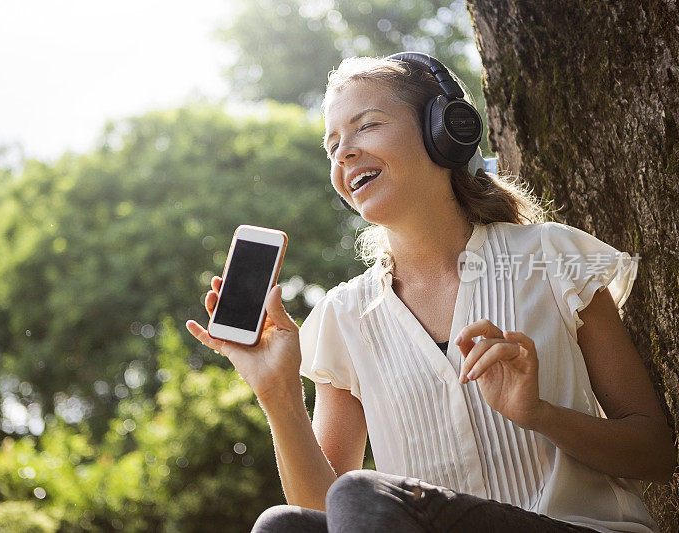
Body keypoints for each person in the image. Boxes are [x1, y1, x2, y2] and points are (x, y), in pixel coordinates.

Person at [185, 53, 675, 532]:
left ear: (444, 131)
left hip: (579, 524)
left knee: (362, 491)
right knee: (283, 524)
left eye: (367, 125)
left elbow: (655, 453)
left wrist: (538, 414)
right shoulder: (343, 316)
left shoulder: (551, 258)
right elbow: (323, 513)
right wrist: (278, 393)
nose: (344, 153)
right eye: (332, 146)